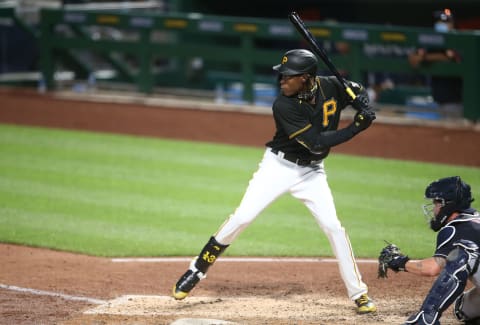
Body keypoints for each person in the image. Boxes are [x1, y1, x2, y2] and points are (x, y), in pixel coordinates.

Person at [172, 48, 377, 314]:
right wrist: (356, 127)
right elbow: (316, 143)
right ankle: (197, 269)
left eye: (288, 76)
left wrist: (360, 99)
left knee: (333, 227)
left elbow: (357, 89)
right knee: (242, 217)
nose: (282, 80)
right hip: (278, 167)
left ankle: (358, 293)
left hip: (312, 172)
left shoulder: (331, 86)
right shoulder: (283, 104)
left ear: (305, 77)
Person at [381, 176, 480, 325]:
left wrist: (400, 261)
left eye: (436, 203)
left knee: (461, 255)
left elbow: (432, 268)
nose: (434, 209)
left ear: (448, 205)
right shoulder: (473, 221)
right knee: (465, 308)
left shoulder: (455, 229)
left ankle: (426, 318)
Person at [408, 9, 463, 118]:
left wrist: (426, 57)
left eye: (446, 22)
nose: (443, 25)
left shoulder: (459, 41)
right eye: (440, 22)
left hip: (456, 100)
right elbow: (413, 60)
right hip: (437, 99)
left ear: (452, 24)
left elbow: (451, 57)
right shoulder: (430, 43)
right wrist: (425, 56)